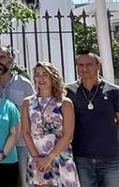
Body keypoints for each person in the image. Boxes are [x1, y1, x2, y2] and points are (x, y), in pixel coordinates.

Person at [66, 51, 119, 187]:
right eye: (81, 65)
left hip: (111, 158)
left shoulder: (113, 91)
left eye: (89, 64)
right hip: (82, 157)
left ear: (98, 66)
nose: (84, 68)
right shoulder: (68, 91)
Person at [21, 61, 78, 187]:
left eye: (45, 74)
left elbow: (68, 135)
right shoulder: (27, 102)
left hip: (59, 156)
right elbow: (25, 132)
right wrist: (37, 159)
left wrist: (49, 158)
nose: (40, 78)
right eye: (37, 74)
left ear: (53, 77)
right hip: (37, 158)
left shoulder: (65, 103)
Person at [0, 46, 34, 187]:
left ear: (11, 60)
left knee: (23, 183)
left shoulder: (24, 84)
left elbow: (33, 115)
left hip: (20, 144)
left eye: (2, 57)